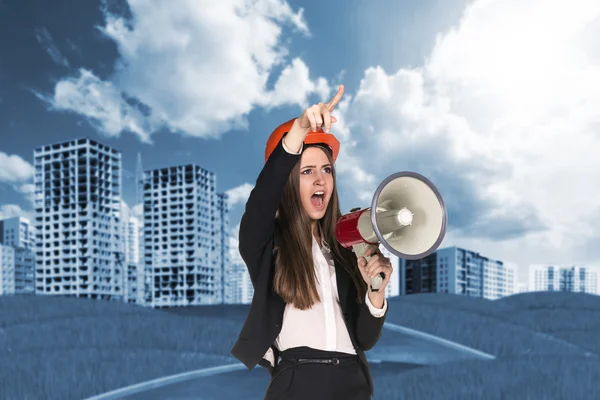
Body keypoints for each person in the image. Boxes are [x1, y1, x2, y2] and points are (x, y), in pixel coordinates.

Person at [231, 84, 393, 400]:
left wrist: (375, 293)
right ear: (287, 182)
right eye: (307, 171)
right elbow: (262, 198)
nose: (320, 180)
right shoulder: (266, 243)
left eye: (326, 170)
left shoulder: (345, 250)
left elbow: (365, 338)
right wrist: (300, 129)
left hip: (353, 382)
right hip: (298, 381)